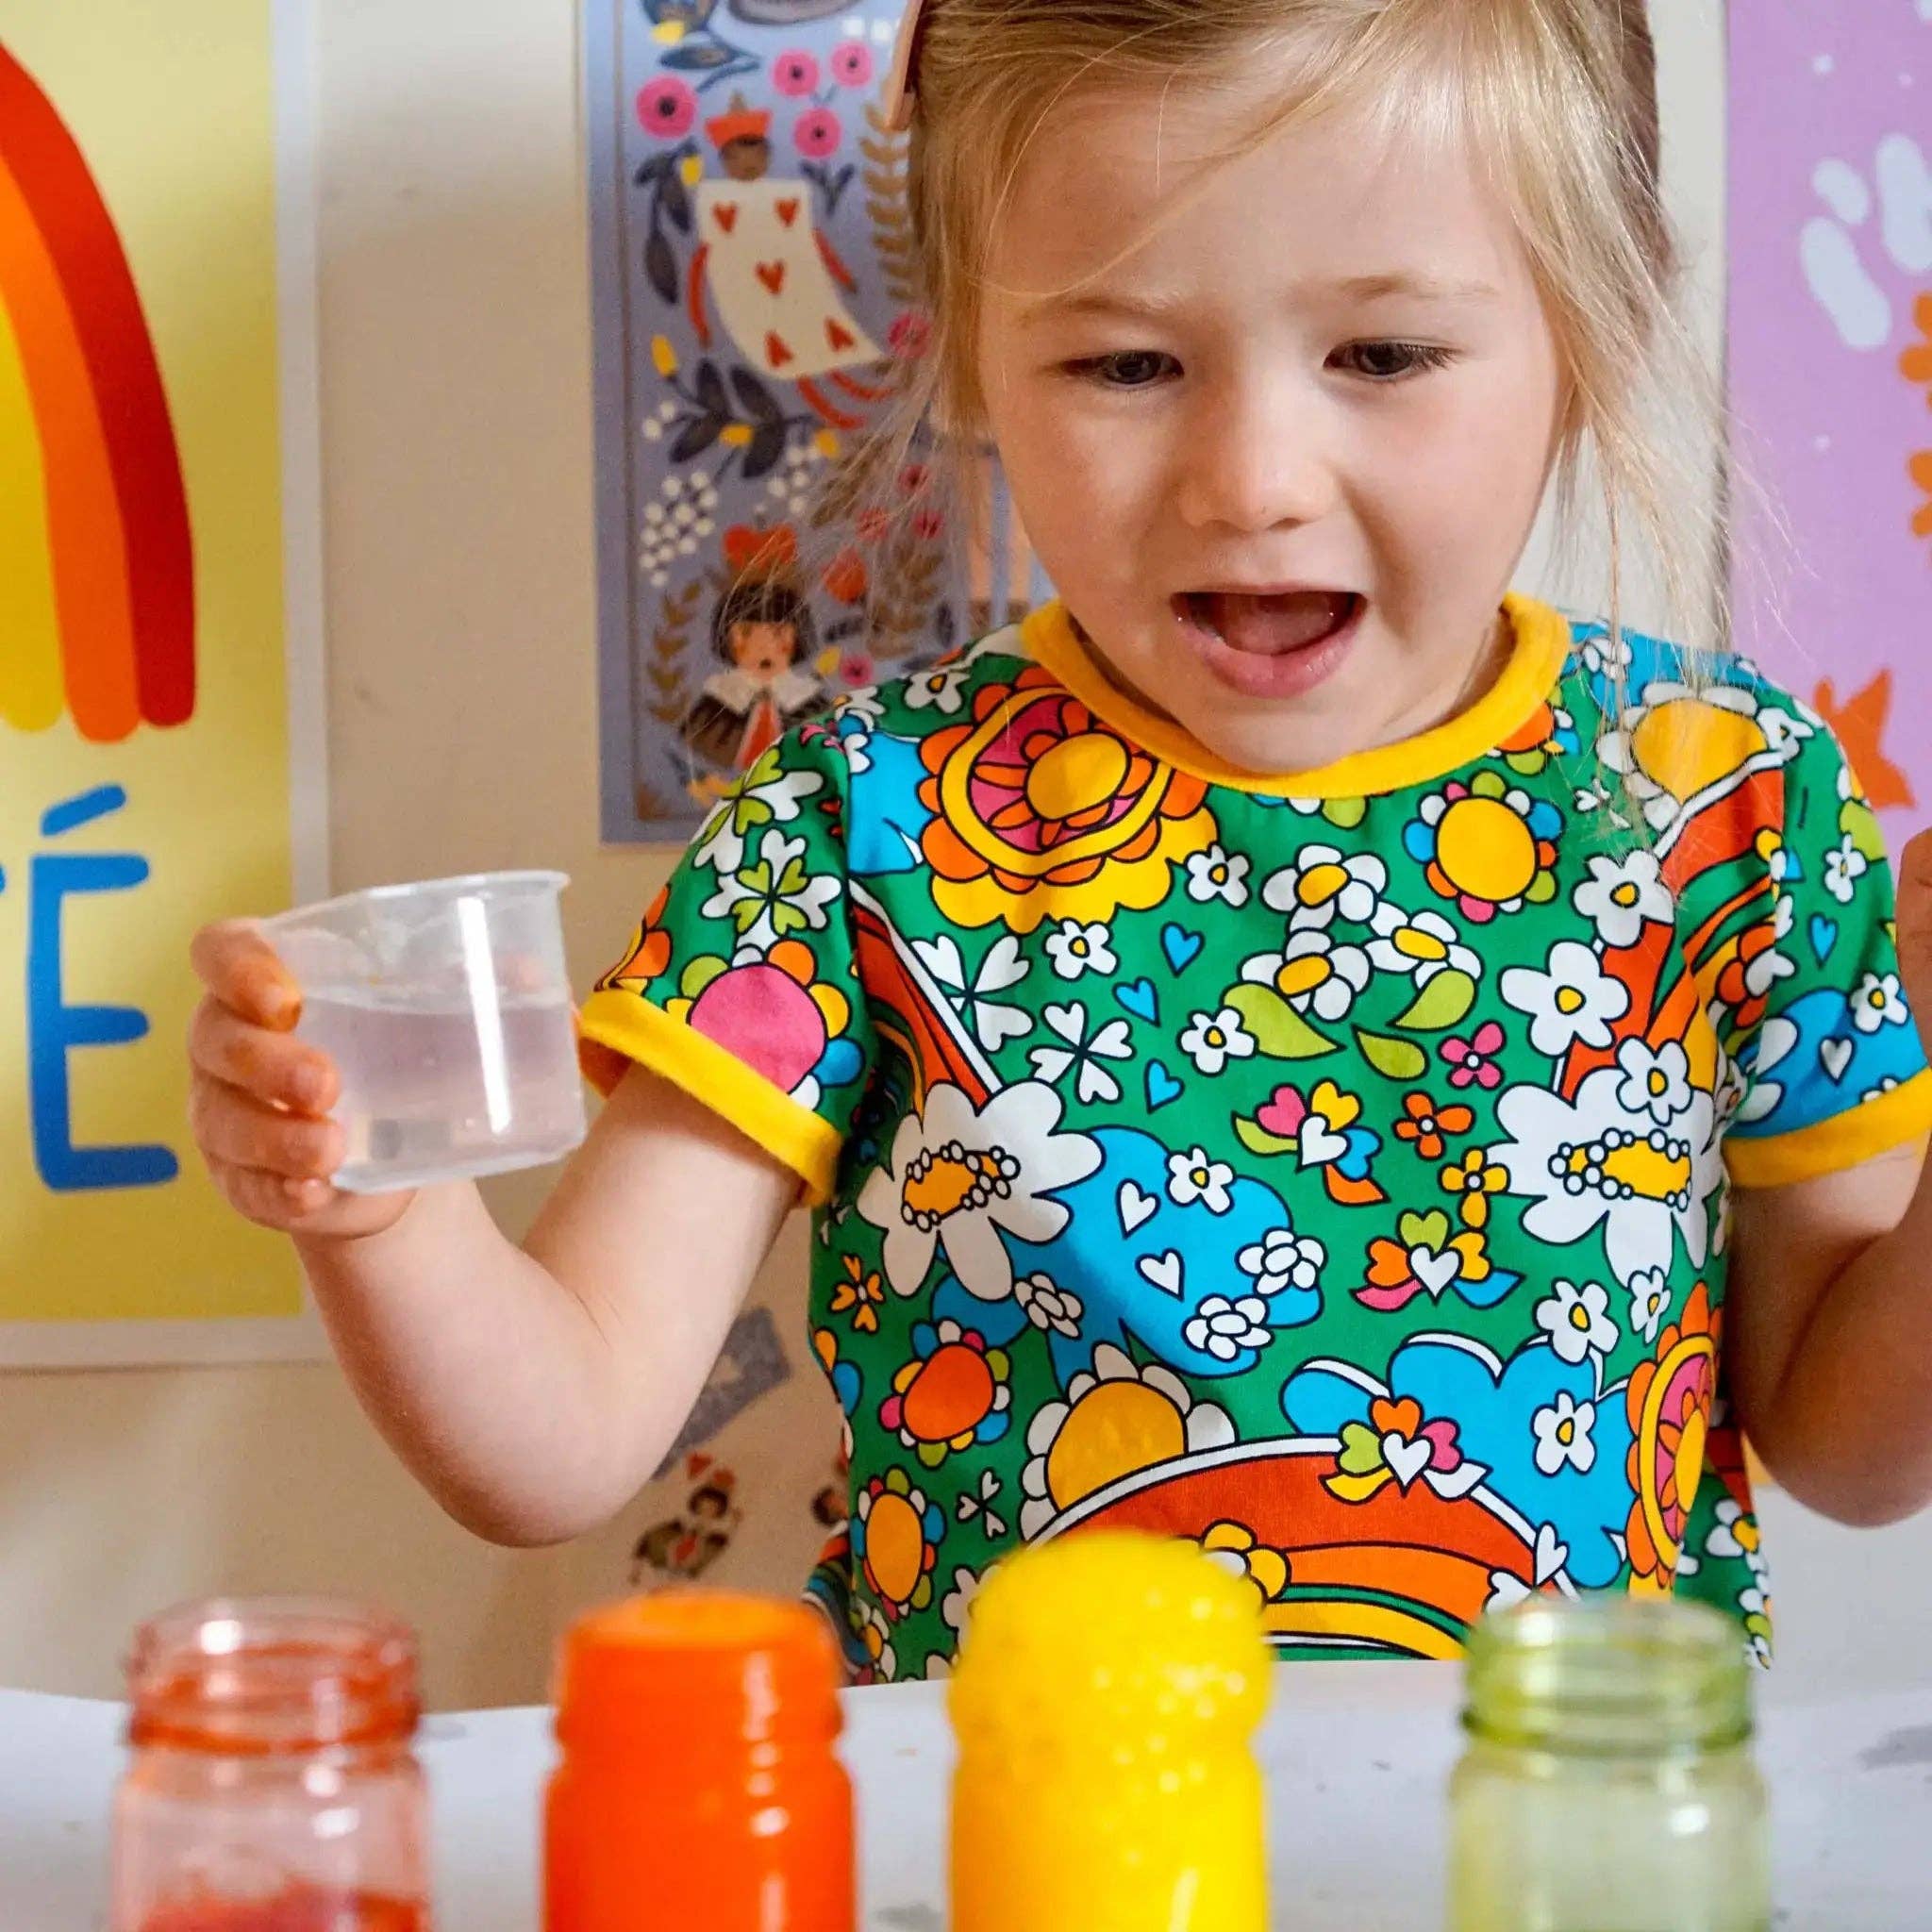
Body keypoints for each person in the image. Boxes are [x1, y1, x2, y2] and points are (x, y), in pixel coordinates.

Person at [188, 0, 1932, 1682]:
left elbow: (1853, 1452)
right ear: (973, 358)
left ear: (1594, 329)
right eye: (1126, 362)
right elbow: (558, 1441)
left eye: (1383, 354)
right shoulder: (856, 828)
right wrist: (373, 1209)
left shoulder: (1731, 805)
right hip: (1009, 1852)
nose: (1251, 475)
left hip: (1551, 1859)